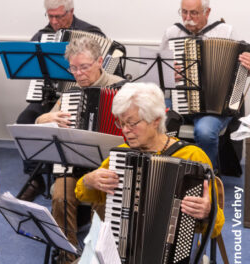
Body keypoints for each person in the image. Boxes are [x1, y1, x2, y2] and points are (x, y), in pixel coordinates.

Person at [75, 82, 224, 250]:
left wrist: (208, 212)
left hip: (172, 251)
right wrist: (88, 180)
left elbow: (215, 228)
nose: (124, 130)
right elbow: (83, 195)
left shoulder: (192, 157)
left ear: (156, 121)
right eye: (121, 123)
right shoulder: (121, 156)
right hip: (124, 247)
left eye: (132, 123)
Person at [34, 37, 124, 263]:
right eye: (73, 68)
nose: (78, 74)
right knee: (59, 195)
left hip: (111, 168)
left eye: (84, 67)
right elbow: (39, 125)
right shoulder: (70, 94)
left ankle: (100, 256)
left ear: (100, 61)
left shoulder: (122, 88)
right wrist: (46, 118)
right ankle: (69, 255)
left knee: (102, 201)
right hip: (75, 166)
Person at [17, 0, 106, 202]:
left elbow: (106, 67)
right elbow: (28, 64)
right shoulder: (43, 36)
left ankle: (63, 175)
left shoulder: (91, 33)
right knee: (24, 121)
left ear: (71, 12)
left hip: (82, 97)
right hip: (50, 97)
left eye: (59, 16)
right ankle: (36, 178)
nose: (55, 22)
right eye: (50, 16)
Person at [160, 0, 247, 170]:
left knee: (205, 132)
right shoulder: (172, 33)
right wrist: (170, 74)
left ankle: (207, 178)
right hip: (179, 100)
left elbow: (241, 73)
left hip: (214, 105)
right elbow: (158, 75)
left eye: (194, 13)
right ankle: (165, 172)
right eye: (184, 12)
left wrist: (248, 66)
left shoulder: (226, 32)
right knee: (153, 120)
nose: (187, 18)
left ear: (207, 12)